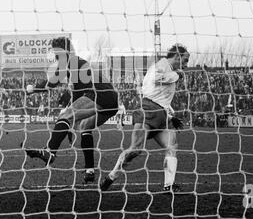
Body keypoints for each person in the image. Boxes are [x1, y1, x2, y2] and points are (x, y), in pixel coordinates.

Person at [22, 37, 119, 183]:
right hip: (111, 100)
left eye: (55, 50)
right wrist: (68, 122)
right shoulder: (77, 64)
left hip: (99, 95)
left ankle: (50, 152)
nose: (53, 54)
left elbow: (52, 83)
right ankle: (90, 170)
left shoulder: (69, 62)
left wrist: (33, 89)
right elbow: (78, 95)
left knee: (66, 116)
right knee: (84, 126)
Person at [100, 44, 189, 193]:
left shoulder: (168, 68)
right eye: (185, 60)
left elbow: (161, 97)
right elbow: (158, 79)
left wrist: (171, 116)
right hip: (148, 112)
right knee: (135, 150)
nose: (186, 65)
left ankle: (168, 185)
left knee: (172, 146)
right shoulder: (162, 65)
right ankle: (111, 176)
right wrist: (177, 75)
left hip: (162, 115)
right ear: (177, 57)